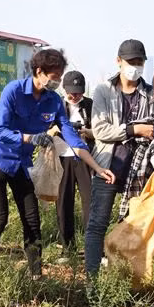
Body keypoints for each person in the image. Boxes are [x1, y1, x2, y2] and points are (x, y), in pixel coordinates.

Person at [0, 49, 114, 278]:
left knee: (32, 218)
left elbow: (71, 137)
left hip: (21, 163)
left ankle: (36, 275)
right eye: (54, 76)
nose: (57, 82)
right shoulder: (13, 91)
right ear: (39, 71)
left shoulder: (53, 101)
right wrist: (30, 138)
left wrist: (97, 167)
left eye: (60, 77)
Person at [84, 39, 154, 278]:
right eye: (131, 62)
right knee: (97, 224)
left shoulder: (151, 94)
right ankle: (92, 280)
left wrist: (150, 130)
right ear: (119, 61)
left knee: (136, 226)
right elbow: (100, 131)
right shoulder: (103, 91)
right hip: (108, 166)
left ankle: (131, 277)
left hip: (140, 171)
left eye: (139, 62)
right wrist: (135, 130)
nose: (135, 67)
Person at [54, 70, 94, 259]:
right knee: (63, 202)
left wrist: (87, 132)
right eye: (71, 93)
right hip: (62, 157)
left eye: (79, 93)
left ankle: (92, 247)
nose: (75, 97)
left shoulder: (91, 105)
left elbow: (100, 130)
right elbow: (47, 128)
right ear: (64, 89)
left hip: (85, 157)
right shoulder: (56, 105)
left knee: (90, 202)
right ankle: (67, 247)